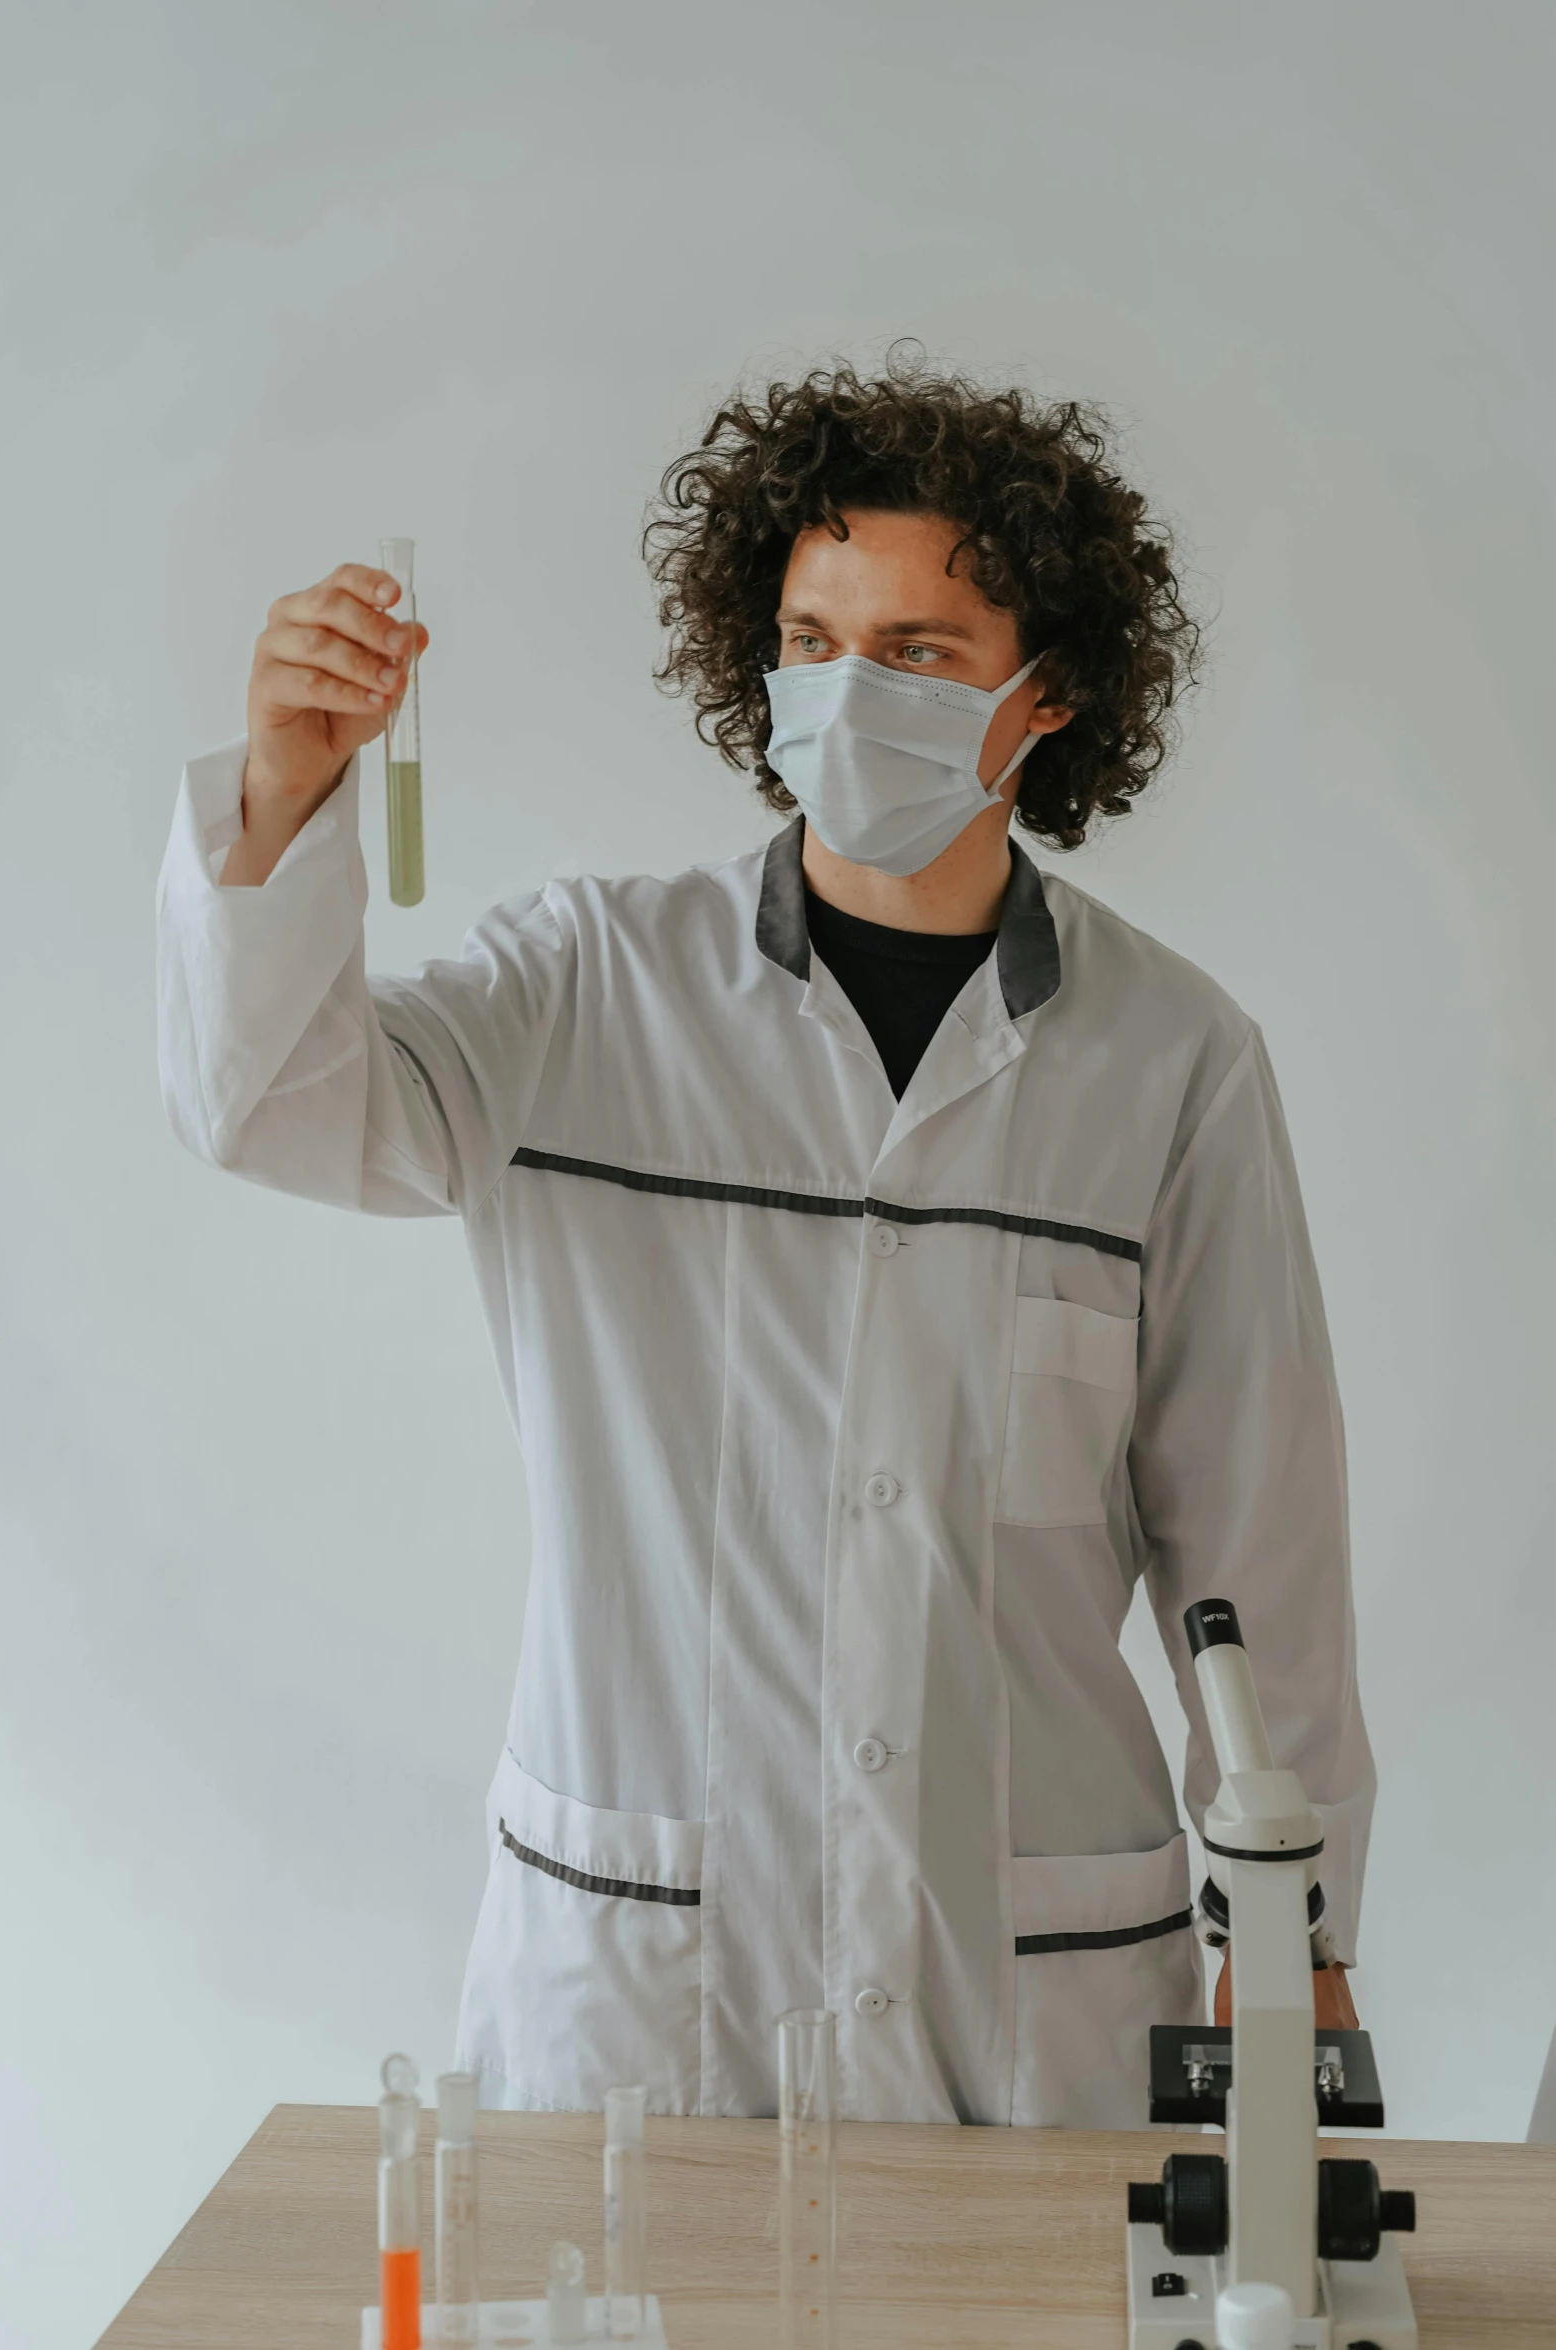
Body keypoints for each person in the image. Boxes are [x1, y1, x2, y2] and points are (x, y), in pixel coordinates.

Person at [156, 354, 1374, 2127]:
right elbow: (262, 1099)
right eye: (810, 640)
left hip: (1028, 1980)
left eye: (915, 653)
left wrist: (1301, 1930)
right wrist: (279, 792)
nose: (844, 692)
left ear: (1045, 700)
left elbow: (1257, 1553)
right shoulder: (584, 989)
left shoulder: (1173, 1062)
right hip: (651, 1980)